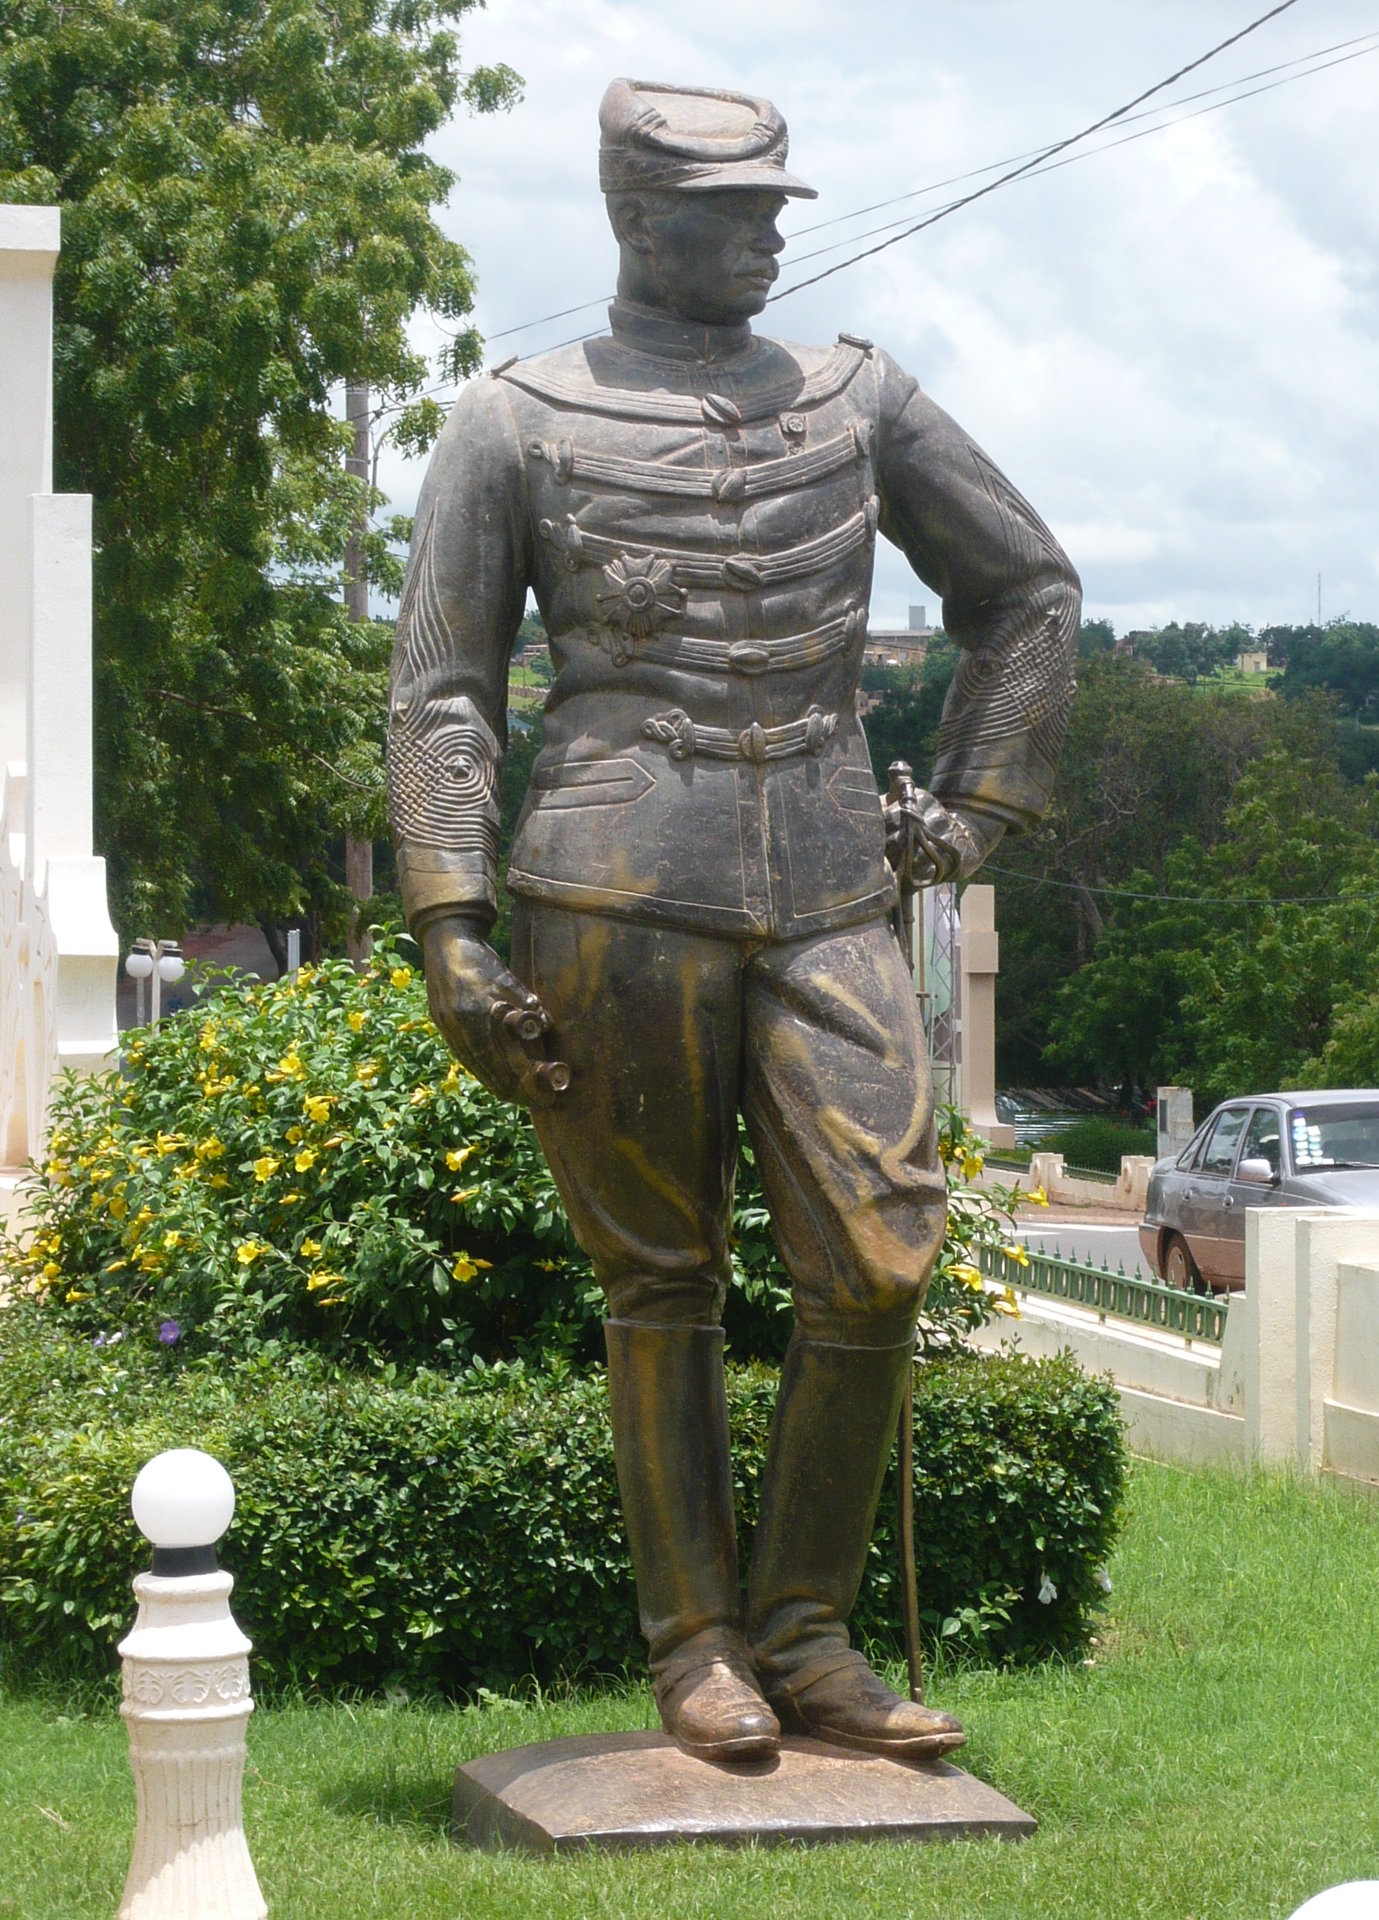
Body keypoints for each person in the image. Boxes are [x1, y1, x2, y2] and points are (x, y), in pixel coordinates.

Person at [388, 77, 1080, 1764]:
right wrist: (451, 925)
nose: (772, 231)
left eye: (778, 203)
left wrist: (977, 809)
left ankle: (808, 1630)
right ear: (636, 217)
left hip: (835, 872)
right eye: (733, 207)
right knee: (662, 1278)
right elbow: (445, 694)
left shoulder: (857, 400)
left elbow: (1028, 588)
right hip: (611, 882)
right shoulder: (514, 421)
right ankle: (697, 1641)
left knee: (879, 1252)